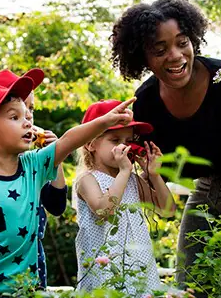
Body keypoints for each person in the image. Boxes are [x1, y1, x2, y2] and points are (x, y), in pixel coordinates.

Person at [110, 0, 221, 295]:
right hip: (208, 185)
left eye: (182, 42)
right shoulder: (147, 102)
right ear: (144, 57)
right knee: (189, 288)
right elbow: (153, 171)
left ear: (193, 39)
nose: (176, 55)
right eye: (160, 49)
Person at [0, 69, 136, 297]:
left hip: (23, 287)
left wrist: (105, 121)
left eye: (27, 115)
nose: (27, 123)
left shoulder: (34, 164)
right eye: (15, 117)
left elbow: (70, 140)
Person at [0, 68, 67, 288]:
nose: (28, 116)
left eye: (30, 109)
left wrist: (56, 157)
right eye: (16, 114)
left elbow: (56, 206)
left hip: (30, 255)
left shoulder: (34, 158)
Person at [74, 100, 175, 295]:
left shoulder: (131, 179)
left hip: (139, 271)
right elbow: (104, 210)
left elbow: (167, 209)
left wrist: (154, 175)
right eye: (115, 140)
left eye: (128, 141)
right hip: (105, 275)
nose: (124, 147)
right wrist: (124, 172)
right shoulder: (87, 180)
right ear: (90, 144)